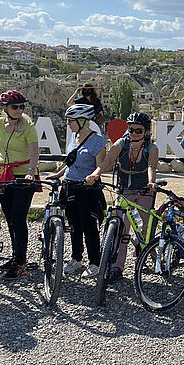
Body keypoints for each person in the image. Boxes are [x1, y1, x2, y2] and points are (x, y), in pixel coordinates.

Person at [85, 111, 158, 282]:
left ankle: (141, 253)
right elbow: (108, 161)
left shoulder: (151, 148)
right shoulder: (122, 143)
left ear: (146, 132)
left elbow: (151, 167)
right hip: (124, 189)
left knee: (143, 227)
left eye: (138, 131)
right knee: (120, 229)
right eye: (131, 129)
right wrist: (95, 174)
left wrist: (151, 182)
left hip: (143, 190)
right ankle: (117, 266)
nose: (133, 133)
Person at [46, 104, 106, 279]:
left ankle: (94, 262)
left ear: (82, 121)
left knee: (89, 226)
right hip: (70, 186)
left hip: (87, 189)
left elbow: (100, 166)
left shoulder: (97, 141)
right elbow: (71, 161)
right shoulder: (75, 137)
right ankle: (76, 258)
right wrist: (58, 174)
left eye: (70, 121)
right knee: (73, 225)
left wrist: (92, 178)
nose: (67, 124)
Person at [0, 90, 39, 280]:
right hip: (3, 175)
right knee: (9, 218)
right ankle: (16, 257)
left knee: (18, 218)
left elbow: (34, 151)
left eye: (22, 107)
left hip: (23, 177)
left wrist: (31, 172)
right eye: (15, 107)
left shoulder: (28, 126)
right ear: (5, 108)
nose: (19, 110)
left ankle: (21, 262)